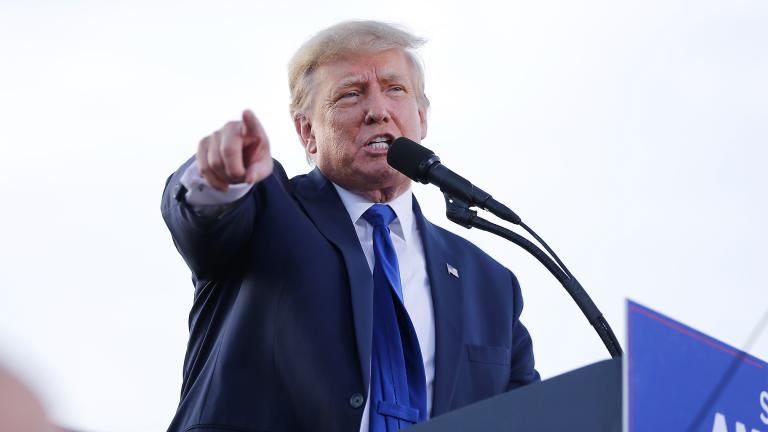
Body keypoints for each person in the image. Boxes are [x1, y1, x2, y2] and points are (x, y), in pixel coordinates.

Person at [161, 20, 539, 432]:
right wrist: (218, 179)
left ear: (421, 118)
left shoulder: (491, 284)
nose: (378, 110)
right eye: (350, 94)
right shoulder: (266, 208)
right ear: (308, 131)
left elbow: (533, 415)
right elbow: (203, 222)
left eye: (395, 89)